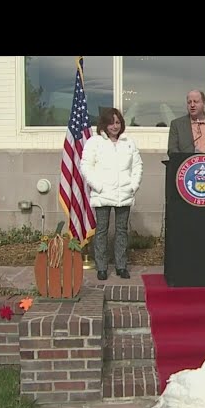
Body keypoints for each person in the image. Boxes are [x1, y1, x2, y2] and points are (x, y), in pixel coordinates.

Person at [80, 107, 143, 281]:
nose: (115, 126)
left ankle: (121, 266)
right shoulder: (94, 142)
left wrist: (133, 186)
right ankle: (101, 267)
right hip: (102, 193)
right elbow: (86, 166)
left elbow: (137, 166)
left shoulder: (128, 142)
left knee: (121, 231)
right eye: (111, 122)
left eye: (117, 122)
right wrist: (97, 186)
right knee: (101, 230)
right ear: (104, 124)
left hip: (124, 193)